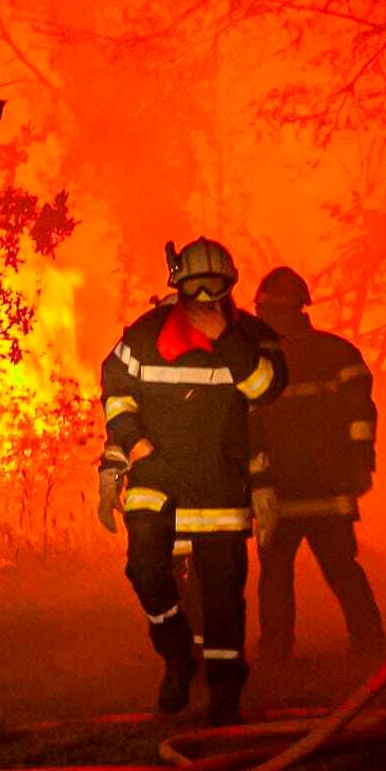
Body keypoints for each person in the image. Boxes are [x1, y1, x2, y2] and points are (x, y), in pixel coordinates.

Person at [96, 237, 286, 725]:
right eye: (194, 285)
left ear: (230, 286)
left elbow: (265, 391)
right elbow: (115, 388)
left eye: (215, 285)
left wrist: (224, 338)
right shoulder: (144, 335)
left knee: (223, 596)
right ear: (176, 286)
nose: (204, 295)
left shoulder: (252, 339)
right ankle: (177, 656)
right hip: (156, 478)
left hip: (220, 484)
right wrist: (131, 448)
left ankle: (224, 691)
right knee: (144, 570)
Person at [247, 266, 386, 666]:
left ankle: (276, 652)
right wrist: (361, 464)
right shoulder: (339, 354)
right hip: (326, 489)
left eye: (264, 312)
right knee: (342, 569)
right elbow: (362, 415)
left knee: (276, 576)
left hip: (280, 493)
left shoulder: (256, 365)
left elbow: (248, 427)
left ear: (278, 313)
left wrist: (256, 484)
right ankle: (369, 641)